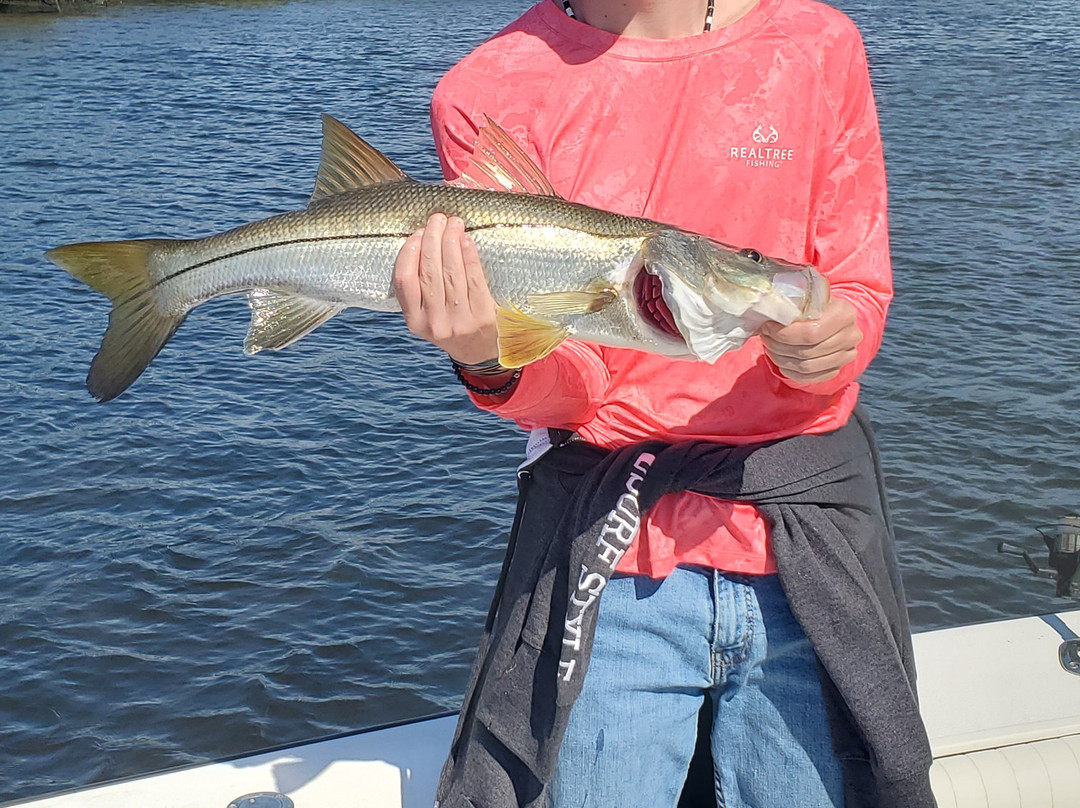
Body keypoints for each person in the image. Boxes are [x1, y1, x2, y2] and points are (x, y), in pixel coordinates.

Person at [391, 1, 935, 806]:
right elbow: (576, 380)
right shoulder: (486, 89)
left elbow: (853, 287)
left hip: (805, 542)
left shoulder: (817, 45)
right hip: (608, 556)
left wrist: (833, 342)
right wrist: (487, 357)